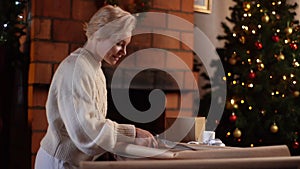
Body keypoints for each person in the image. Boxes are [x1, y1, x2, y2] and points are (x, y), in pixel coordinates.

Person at [35, 5, 158, 169]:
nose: (124, 52)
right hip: (60, 163)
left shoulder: (94, 67)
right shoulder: (76, 69)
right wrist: (131, 133)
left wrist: (118, 146)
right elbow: (86, 135)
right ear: (100, 34)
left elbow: (94, 126)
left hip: (73, 161)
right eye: (120, 43)